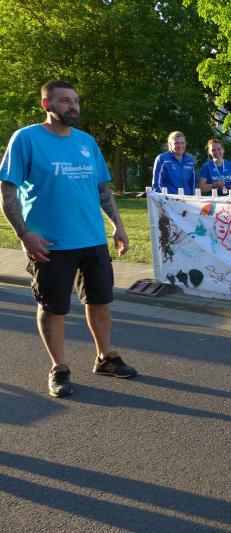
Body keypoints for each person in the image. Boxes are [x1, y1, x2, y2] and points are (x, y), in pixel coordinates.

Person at [0, 80, 137, 398]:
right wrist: (24, 233)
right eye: (64, 101)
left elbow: (102, 189)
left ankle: (105, 357)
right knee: (53, 307)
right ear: (46, 104)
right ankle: (59, 367)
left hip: (92, 239)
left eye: (75, 101)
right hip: (50, 244)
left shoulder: (87, 142)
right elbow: (7, 190)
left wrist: (118, 225)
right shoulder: (26, 139)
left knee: (100, 301)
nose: (72, 106)